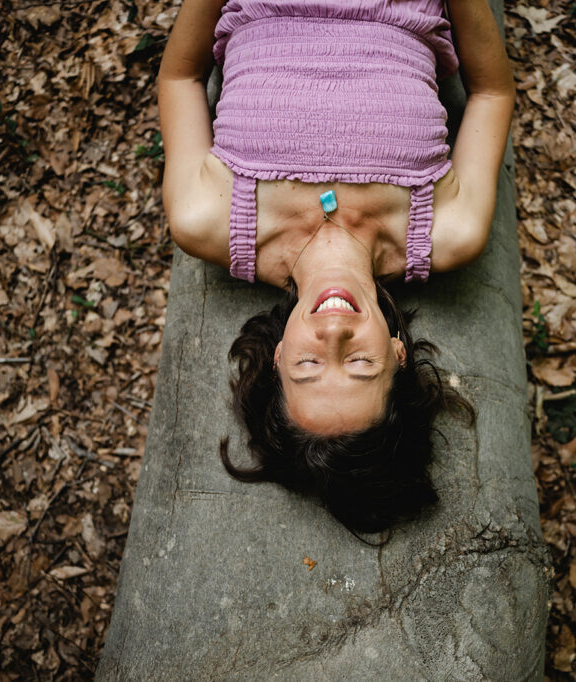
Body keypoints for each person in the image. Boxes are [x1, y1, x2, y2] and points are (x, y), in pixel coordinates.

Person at [157, 0, 514, 533]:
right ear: (397, 355)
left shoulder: (206, 218)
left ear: (278, 358)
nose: (333, 332)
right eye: (360, 365)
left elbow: (180, 78)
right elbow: (493, 92)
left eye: (309, 366)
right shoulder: (448, 228)